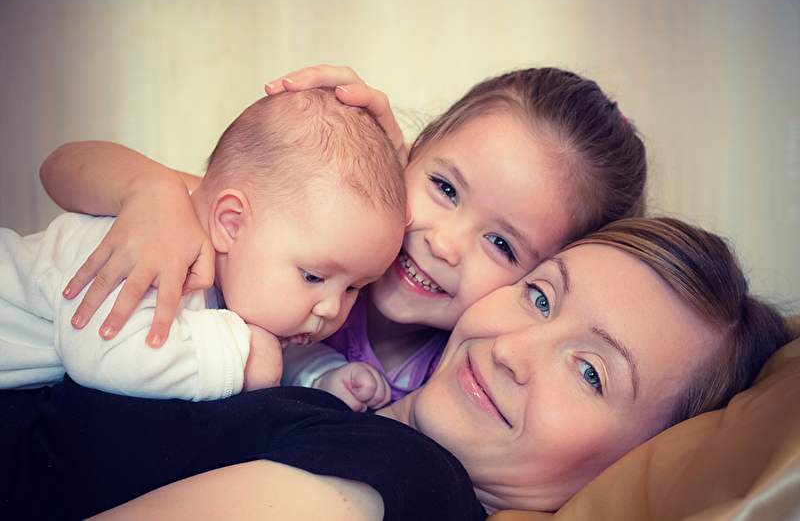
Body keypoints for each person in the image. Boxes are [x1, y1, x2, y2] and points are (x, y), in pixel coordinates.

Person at [0, 217, 789, 521]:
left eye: (591, 373)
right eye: (541, 296)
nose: (511, 349)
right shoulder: (338, 381)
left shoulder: (404, 478)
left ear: (642, 458)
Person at [40, 65, 648, 410]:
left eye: (503, 245)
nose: (444, 243)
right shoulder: (292, 230)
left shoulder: (460, 377)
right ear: (409, 154)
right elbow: (60, 169)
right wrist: (149, 192)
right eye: (444, 187)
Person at [0, 88, 406, 401]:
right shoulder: (153, 248)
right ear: (231, 224)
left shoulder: (245, 272)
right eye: (313, 276)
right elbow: (104, 355)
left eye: (354, 288)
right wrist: (242, 356)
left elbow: (263, 340)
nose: (332, 309)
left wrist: (322, 375)